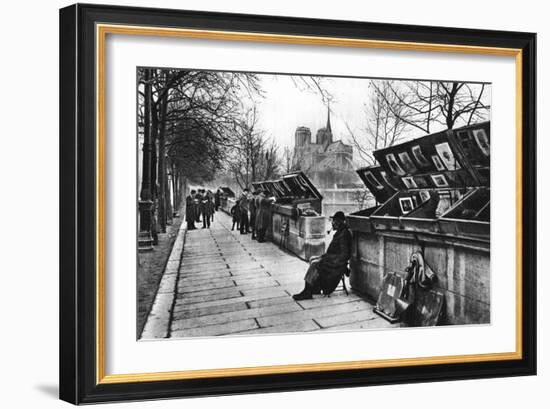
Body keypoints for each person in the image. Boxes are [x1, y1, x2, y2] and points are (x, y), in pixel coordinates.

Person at [292, 211, 352, 300]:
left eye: (334, 221)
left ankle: (307, 291)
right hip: (332, 260)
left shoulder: (343, 234)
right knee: (313, 259)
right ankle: (314, 287)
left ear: (338, 222)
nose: (332, 223)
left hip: (336, 264)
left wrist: (327, 260)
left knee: (315, 264)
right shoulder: (341, 232)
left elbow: (344, 255)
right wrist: (324, 257)